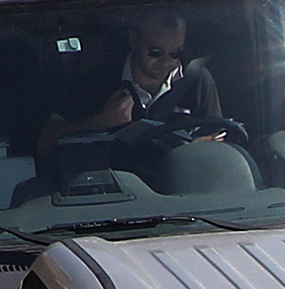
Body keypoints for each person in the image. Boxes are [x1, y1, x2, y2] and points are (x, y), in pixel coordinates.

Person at [35, 9, 229, 170]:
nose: (166, 61)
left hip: (179, 189)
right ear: (134, 39)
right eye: (155, 52)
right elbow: (46, 142)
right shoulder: (97, 81)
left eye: (176, 53)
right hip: (115, 196)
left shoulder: (197, 80)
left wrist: (190, 149)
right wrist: (100, 122)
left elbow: (218, 141)